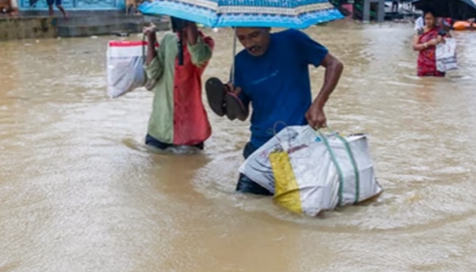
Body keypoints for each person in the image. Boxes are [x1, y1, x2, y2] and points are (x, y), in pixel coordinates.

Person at [204, 28, 344, 195]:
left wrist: (318, 105)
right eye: (241, 38)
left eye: (254, 35)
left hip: (298, 146)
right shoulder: (240, 62)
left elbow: (334, 64)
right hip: (259, 149)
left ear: (267, 28)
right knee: (244, 205)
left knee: (303, 209)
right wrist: (231, 99)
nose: (249, 44)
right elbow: (243, 115)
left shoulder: (293, 40)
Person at [143, 18, 215, 150]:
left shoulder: (206, 44)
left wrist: (189, 27)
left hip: (190, 131)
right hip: (161, 127)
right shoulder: (168, 40)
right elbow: (153, 72)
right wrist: (151, 40)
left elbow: (199, 58)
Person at [412, 11, 446, 77]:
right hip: (423, 64)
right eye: (426, 19)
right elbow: (414, 47)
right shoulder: (421, 30)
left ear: (435, 19)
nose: (428, 21)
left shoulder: (441, 30)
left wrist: (441, 40)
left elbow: (448, 44)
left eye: (430, 19)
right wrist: (428, 44)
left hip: (438, 64)